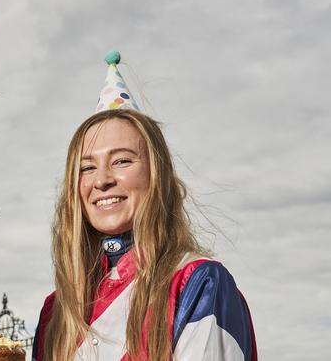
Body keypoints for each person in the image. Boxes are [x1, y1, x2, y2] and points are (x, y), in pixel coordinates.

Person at [31, 51, 257, 360]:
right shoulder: (55, 313)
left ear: (156, 174)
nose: (102, 180)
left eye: (122, 160)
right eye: (86, 168)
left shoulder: (198, 284)